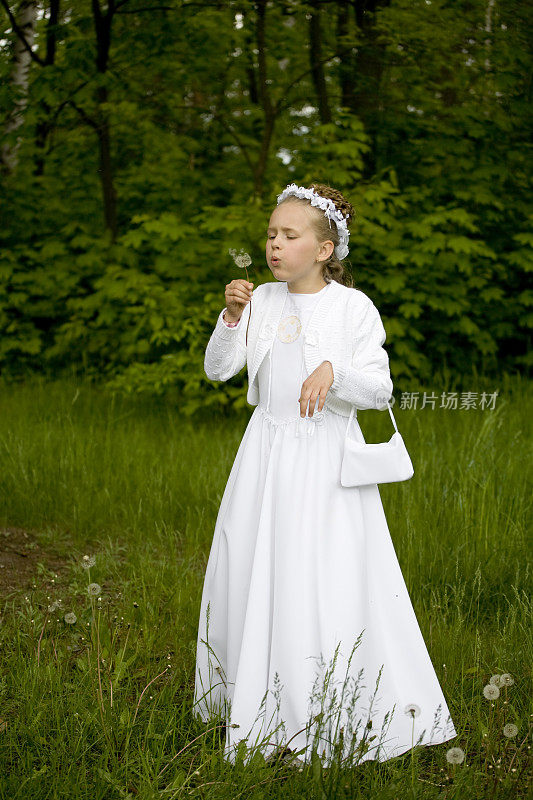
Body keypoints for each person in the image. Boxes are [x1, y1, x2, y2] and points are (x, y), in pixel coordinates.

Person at [192, 182, 457, 768]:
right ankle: (255, 700)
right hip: (265, 452)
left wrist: (334, 369)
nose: (275, 245)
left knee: (320, 571)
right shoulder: (260, 298)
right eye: (270, 234)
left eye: (290, 235)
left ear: (325, 247)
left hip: (324, 461)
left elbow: (380, 389)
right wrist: (232, 317)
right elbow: (219, 370)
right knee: (255, 563)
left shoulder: (352, 308)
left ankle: (326, 704)